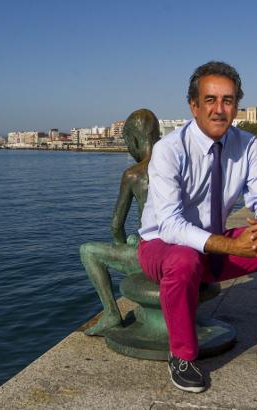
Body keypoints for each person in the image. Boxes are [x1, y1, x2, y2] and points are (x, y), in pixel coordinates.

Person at [138, 61, 257, 396]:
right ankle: (182, 356)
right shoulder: (170, 150)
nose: (219, 109)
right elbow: (170, 225)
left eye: (228, 100)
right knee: (184, 259)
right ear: (193, 105)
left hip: (214, 244)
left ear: (237, 105)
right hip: (161, 247)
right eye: (210, 100)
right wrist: (232, 246)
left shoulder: (247, 146)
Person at [80, 109, 160, 336]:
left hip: (154, 257)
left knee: (87, 251)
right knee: (137, 238)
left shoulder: (134, 174)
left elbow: (116, 225)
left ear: (133, 140)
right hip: (180, 249)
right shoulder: (178, 165)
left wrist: (122, 246)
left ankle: (111, 313)